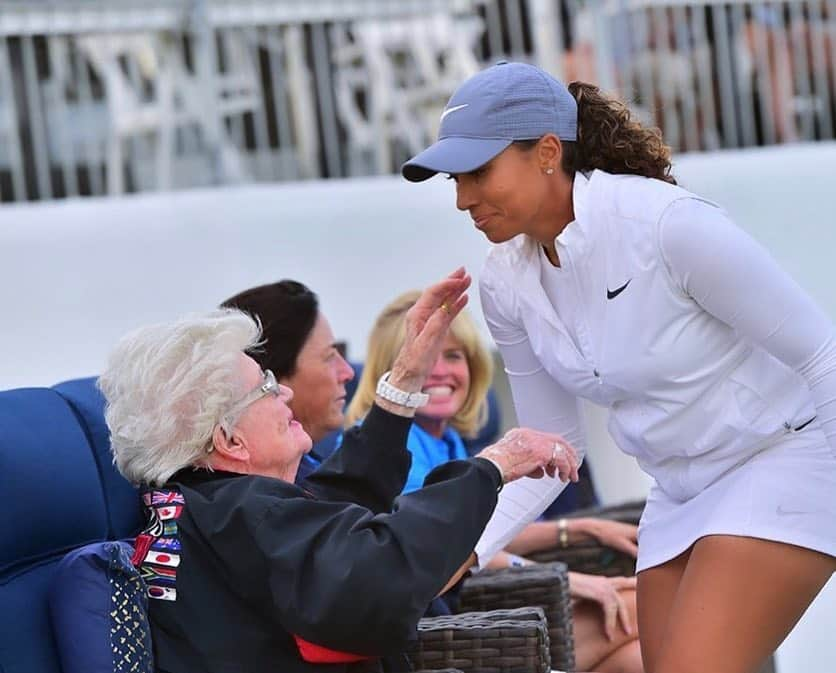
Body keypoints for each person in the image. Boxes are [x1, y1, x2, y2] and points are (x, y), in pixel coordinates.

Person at [402, 61, 836, 673]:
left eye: (478, 172)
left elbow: (824, 354)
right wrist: (463, 550)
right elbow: (550, 451)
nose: (462, 198)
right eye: (454, 178)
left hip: (782, 457)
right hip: (678, 491)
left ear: (548, 152)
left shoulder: (667, 225)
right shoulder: (504, 282)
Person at [98, 269, 579, 673]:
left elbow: (325, 504)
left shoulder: (203, 503)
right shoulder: (247, 515)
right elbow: (379, 578)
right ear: (228, 440)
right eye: (265, 388)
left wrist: (404, 380)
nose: (282, 393)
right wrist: (494, 466)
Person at [346, 290, 642, 673]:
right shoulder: (389, 450)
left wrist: (577, 529)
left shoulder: (445, 441)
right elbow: (442, 549)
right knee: (648, 606)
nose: (439, 371)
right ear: (393, 372)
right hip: (442, 636)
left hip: (475, 616)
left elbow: (480, 531)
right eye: (426, 357)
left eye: (453, 356)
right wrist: (568, 579)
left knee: (637, 658)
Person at [219, 279, 355, 478]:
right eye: (329, 357)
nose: (348, 373)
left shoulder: (310, 472)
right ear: (272, 379)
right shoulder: (262, 501)